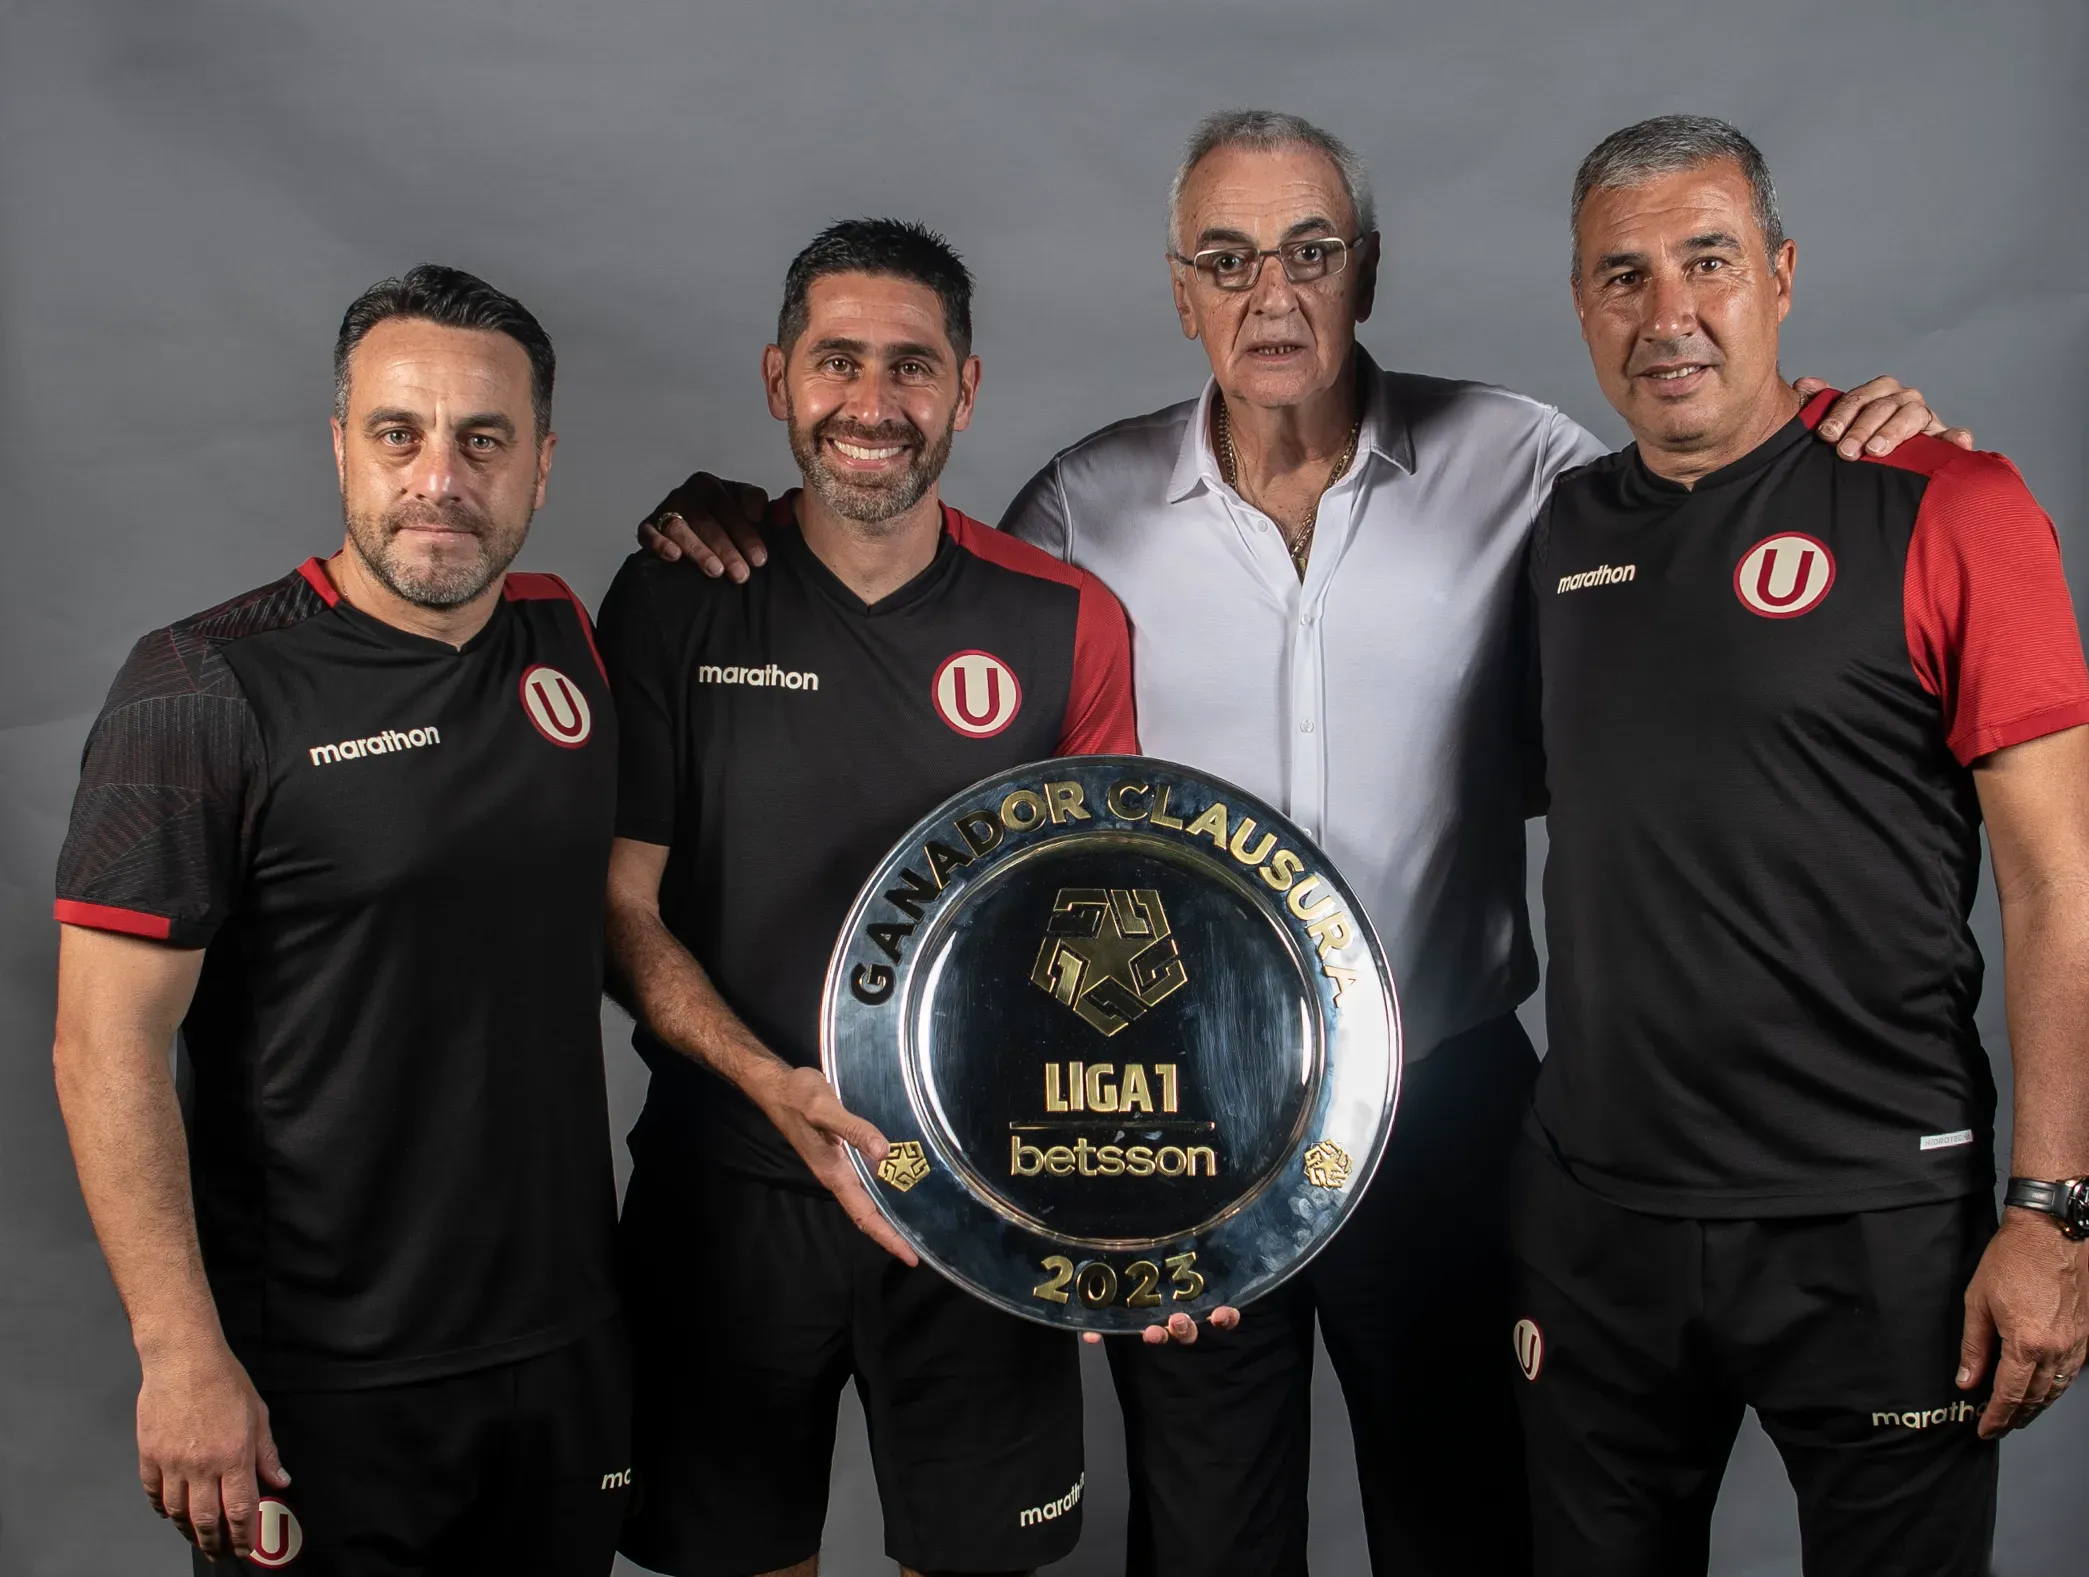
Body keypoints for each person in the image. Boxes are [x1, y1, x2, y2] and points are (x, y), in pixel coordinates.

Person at [634, 114, 1955, 1577]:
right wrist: (733, 518)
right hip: (1181, 1111)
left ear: (1367, 273)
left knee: (1473, 1525)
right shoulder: (1081, 510)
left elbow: (1700, 508)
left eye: (1312, 254)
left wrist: (1843, 426)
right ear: (1180, 290)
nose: (1273, 295)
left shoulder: (1521, 462)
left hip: (1450, 1100)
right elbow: (932, 636)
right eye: (1228, 259)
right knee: (1206, 1537)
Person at [1517, 114, 2089, 1577]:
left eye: (1708, 261)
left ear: (1779, 274)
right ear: (1583, 308)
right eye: (1624, 276)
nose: (1670, 314)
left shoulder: (1949, 503)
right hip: (1603, 1222)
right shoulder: (1560, 536)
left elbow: (2057, 888)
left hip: (1876, 1223)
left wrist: (2053, 1213)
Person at [50, 266, 630, 1573]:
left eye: (484, 438)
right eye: (398, 433)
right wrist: (181, 1354)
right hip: (322, 1385)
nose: (439, 478)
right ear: (340, 449)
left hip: (562, 1352)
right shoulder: (201, 688)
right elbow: (103, 1051)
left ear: (541, 463)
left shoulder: (565, 641)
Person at [599, 218, 1137, 1577]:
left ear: (966, 390)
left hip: (968, 1200)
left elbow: (1106, 936)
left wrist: (1115, 1186)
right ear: (779, 379)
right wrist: (763, 1080)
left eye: (912, 366)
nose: (873, 403)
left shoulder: (1067, 617)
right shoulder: (678, 599)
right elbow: (620, 910)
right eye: (839, 362)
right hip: (725, 1192)